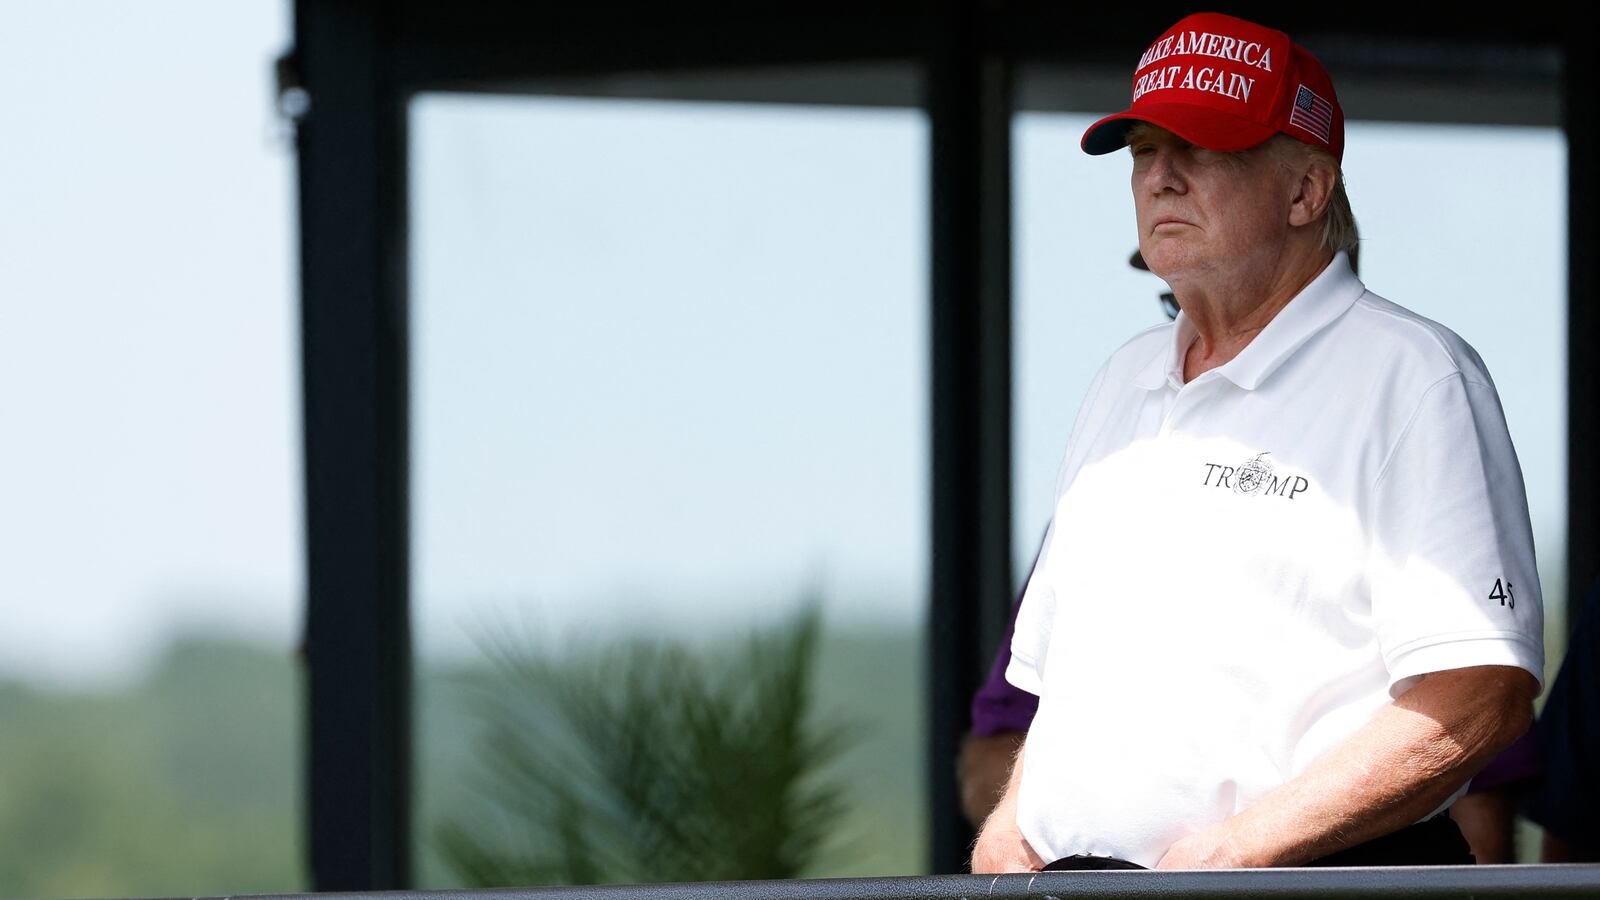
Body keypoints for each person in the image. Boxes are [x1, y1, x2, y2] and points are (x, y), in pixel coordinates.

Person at [971, 11, 1544, 872]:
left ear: (1307, 191)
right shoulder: (1121, 379)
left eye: (1202, 147)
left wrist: (1246, 852)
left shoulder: (1415, 376)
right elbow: (1064, 689)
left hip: (1302, 886)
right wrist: (1011, 832)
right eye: (1142, 153)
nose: (1161, 178)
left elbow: (1478, 693)